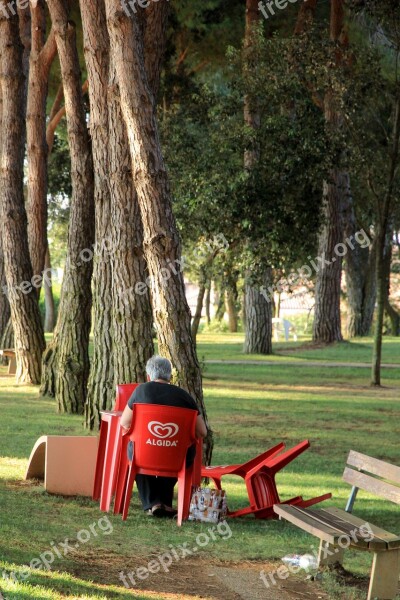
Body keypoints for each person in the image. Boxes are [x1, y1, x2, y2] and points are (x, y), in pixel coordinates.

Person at [120, 355, 207, 518]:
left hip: (144, 453)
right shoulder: (184, 396)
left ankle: (154, 503)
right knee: (179, 454)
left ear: (148, 376)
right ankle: (163, 504)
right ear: (170, 376)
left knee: (137, 450)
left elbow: (124, 422)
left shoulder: (141, 390)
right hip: (176, 457)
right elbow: (202, 432)